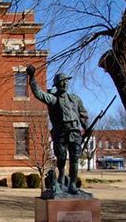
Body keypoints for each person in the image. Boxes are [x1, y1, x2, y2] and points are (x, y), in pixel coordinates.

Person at [26, 65, 88, 194]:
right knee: (61, 158)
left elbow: (82, 114)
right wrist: (32, 77)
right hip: (61, 132)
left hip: (75, 132)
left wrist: (86, 127)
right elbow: (38, 93)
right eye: (61, 82)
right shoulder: (53, 99)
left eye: (66, 81)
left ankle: (72, 184)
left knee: (75, 158)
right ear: (57, 85)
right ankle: (61, 176)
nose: (64, 84)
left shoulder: (75, 99)